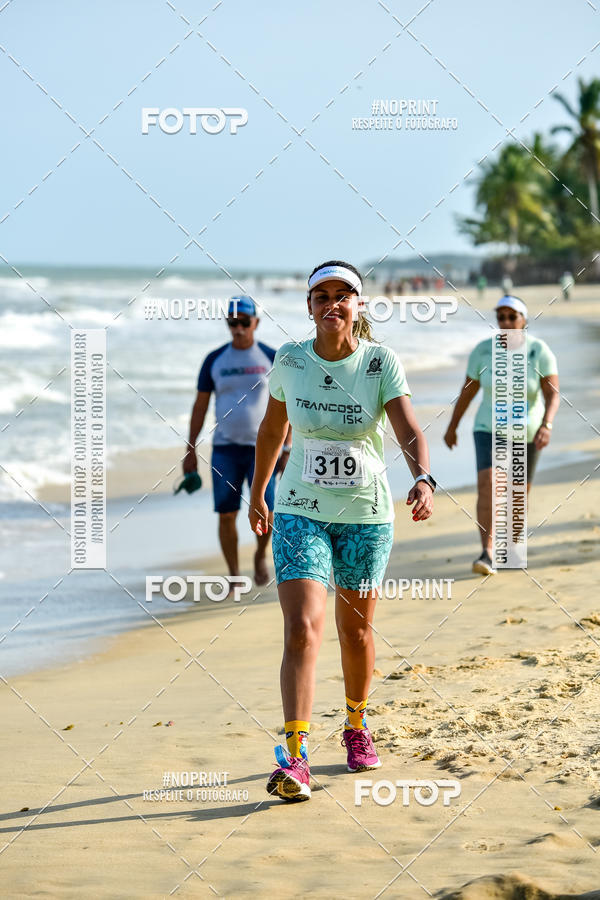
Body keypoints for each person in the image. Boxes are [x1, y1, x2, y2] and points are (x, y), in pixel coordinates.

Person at [248, 260, 436, 802]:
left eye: (343, 294)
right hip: (299, 509)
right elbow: (272, 428)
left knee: (354, 632)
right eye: (320, 295)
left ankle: (356, 724)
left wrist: (422, 477)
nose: (332, 303)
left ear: (358, 305)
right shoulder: (289, 359)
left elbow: (407, 428)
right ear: (308, 306)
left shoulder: (380, 363)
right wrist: (259, 491)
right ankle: (296, 755)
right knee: (302, 628)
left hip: (366, 515)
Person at [444, 295, 559, 576]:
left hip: (527, 431)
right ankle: (488, 551)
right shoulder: (483, 351)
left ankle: (514, 543)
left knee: (518, 492)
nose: (505, 322)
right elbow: (468, 392)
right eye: (501, 317)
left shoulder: (539, 351)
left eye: (511, 317)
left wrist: (547, 424)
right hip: (488, 428)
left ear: (523, 320)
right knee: (489, 484)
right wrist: (452, 426)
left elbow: (551, 393)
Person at [184, 295, 291, 587]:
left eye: (245, 322)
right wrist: (190, 449)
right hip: (225, 450)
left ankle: (259, 554)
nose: (239, 328)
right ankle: (233, 574)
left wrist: (287, 446)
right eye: (233, 323)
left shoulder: (272, 357)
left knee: (265, 508)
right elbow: (199, 406)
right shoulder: (214, 360)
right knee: (226, 514)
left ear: (255, 322)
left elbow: (289, 404)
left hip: (265, 450)